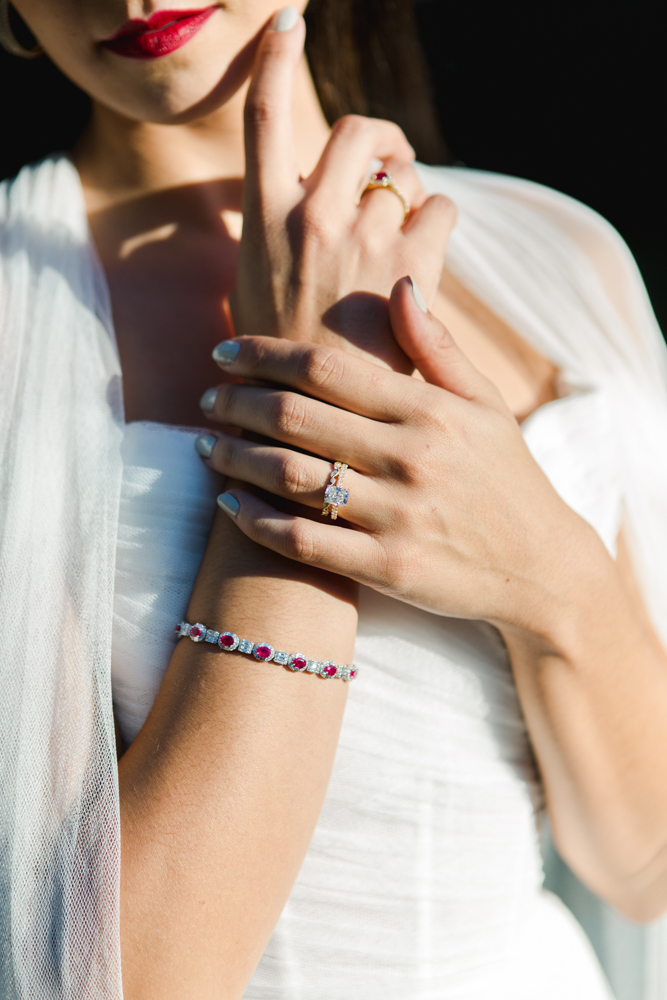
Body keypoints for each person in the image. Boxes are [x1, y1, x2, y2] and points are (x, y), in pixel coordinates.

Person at [2, 2, 667, 998]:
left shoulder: (562, 258)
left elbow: (640, 864)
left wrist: (550, 569)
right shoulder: (17, 334)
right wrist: (311, 409)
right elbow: (124, 980)